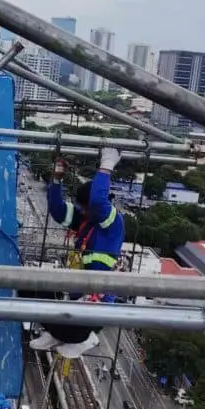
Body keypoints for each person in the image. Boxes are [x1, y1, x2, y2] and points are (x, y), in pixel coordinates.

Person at [30, 147, 125, 358]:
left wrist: (107, 165)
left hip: (97, 298)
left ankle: (87, 338)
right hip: (81, 290)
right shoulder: (87, 222)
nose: (82, 212)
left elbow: (98, 202)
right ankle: (56, 334)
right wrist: (57, 178)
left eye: (84, 209)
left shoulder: (111, 222)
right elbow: (58, 210)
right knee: (36, 291)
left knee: (72, 321)